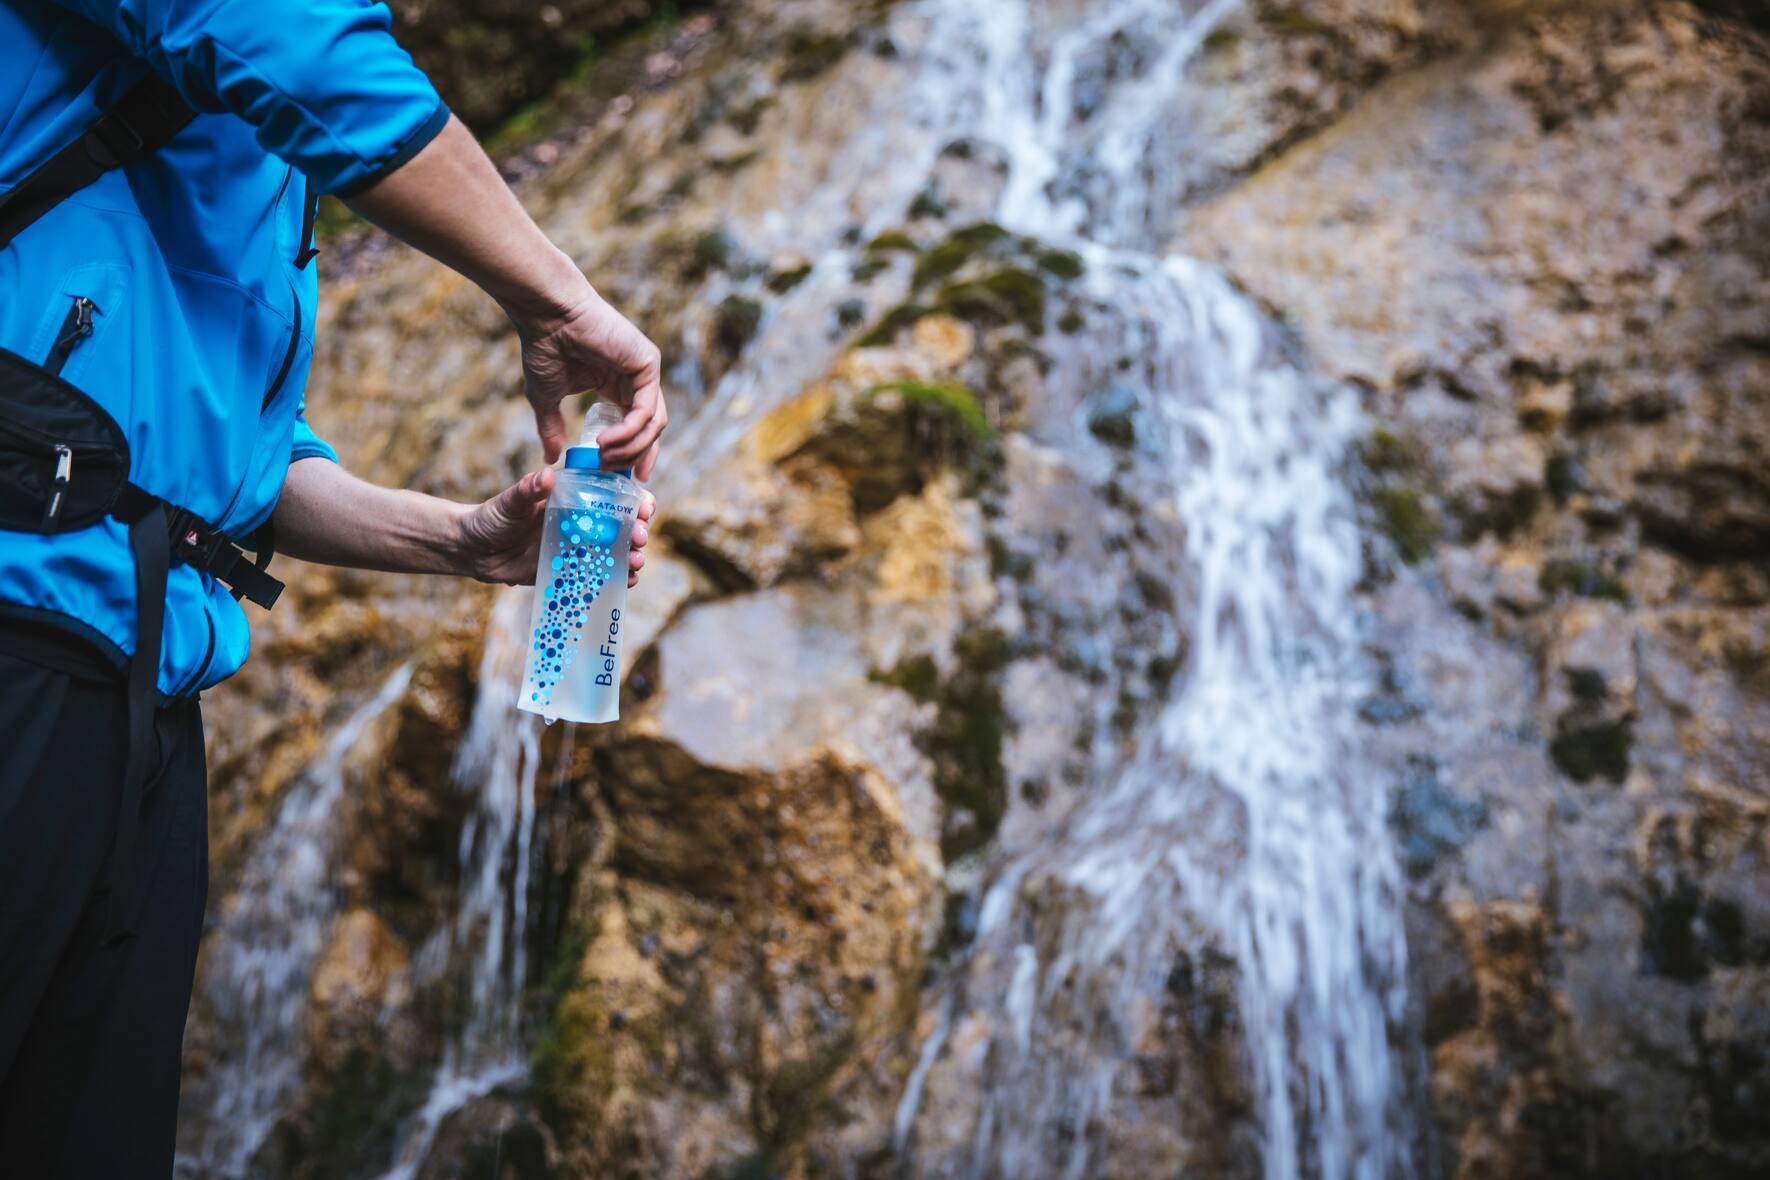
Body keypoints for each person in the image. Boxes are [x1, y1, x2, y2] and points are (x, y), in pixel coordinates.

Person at [0, 1, 668, 1173]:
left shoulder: (245, 161)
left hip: (141, 710)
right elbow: (276, 34)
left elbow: (227, 472)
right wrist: (556, 294)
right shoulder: (253, 38)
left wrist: (468, 539)